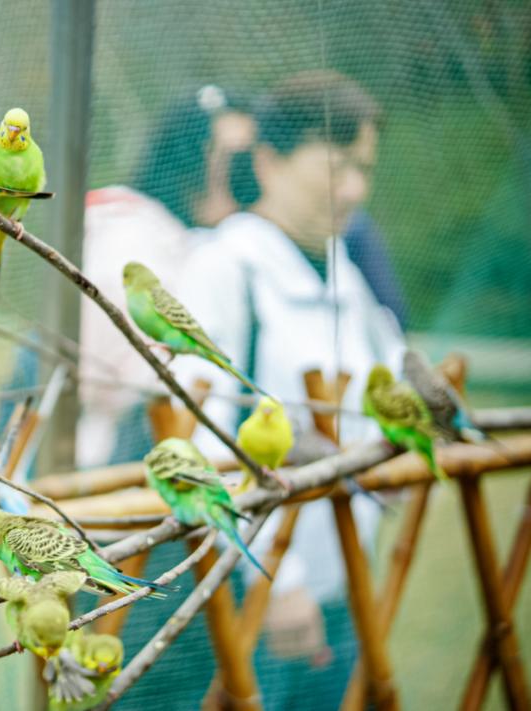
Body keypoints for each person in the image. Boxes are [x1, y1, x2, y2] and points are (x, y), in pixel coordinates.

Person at [167, 69, 404, 709]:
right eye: (335, 165)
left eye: (364, 168)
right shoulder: (225, 268)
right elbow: (202, 442)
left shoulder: (342, 271)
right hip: (254, 594)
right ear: (269, 162)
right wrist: (278, 577)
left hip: (343, 586)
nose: (354, 189)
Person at [77, 85, 256, 467]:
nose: (246, 175)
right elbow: (109, 378)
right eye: (232, 158)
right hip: (121, 459)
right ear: (189, 158)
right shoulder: (129, 237)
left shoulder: (218, 245)